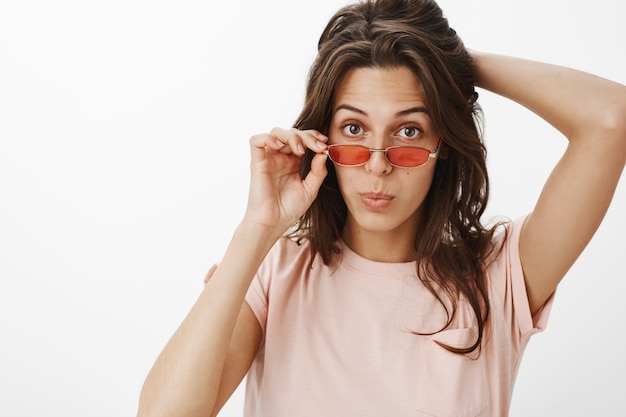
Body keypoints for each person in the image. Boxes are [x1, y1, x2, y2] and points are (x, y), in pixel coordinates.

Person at [136, 0, 625, 416]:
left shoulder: (500, 277)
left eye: (408, 131)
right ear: (322, 138)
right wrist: (256, 229)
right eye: (353, 130)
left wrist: (445, 64)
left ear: (444, 143)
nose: (377, 167)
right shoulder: (274, 273)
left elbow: (611, 118)